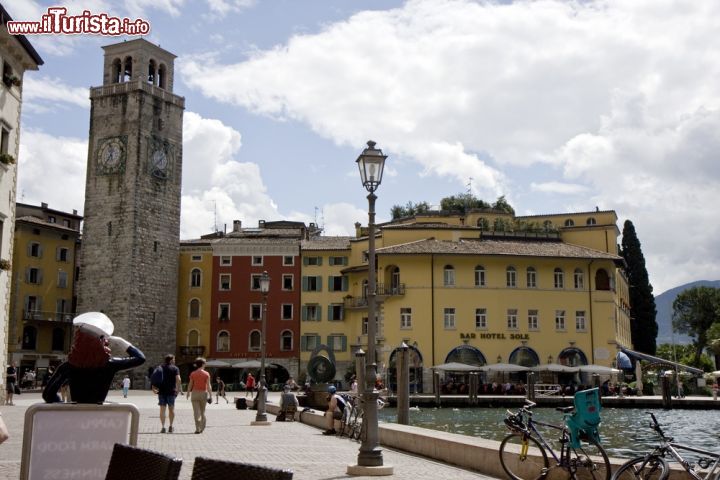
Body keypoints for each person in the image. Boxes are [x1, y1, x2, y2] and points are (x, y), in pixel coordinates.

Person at [43, 314, 145, 404]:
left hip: (76, 414)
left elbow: (47, 395)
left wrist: (61, 403)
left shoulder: (68, 366)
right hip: (99, 417)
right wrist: (120, 341)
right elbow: (140, 358)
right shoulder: (109, 364)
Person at [155, 354, 183, 433]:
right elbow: (179, 379)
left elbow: (154, 378)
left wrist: (154, 388)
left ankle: (163, 427)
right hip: (171, 391)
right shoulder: (175, 368)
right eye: (174, 359)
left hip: (161, 391)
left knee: (162, 410)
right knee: (171, 409)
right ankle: (171, 426)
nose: (174, 360)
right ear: (171, 360)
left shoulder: (160, 367)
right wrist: (178, 389)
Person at [186, 357, 212, 434]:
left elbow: (190, 384)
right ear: (203, 364)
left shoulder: (193, 373)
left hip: (194, 393)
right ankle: (202, 427)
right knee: (202, 412)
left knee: (196, 412)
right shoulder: (206, 374)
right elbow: (208, 385)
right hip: (203, 393)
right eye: (205, 363)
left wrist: (188, 392)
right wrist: (210, 395)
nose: (205, 364)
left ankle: (197, 428)